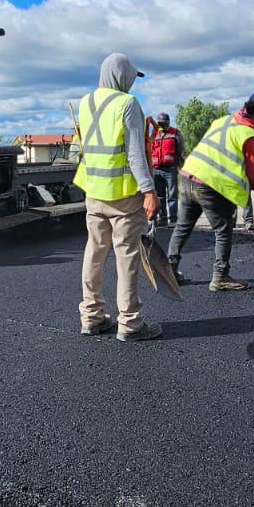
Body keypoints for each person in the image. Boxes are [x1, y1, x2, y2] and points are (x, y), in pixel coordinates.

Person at [75, 52, 162, 342]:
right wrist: (149, 190)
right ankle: (130, 323)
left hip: (93, 191)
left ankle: (91, 317)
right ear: (122, 76)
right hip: (124, 195)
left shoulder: (86, 102)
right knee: (127, 256)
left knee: (95, 251)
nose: (132, 83)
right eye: (131, 78)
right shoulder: (127, 103)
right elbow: (135, 154)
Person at [167, 93, 254, 292]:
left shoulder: (223, 121)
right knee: (223, 231)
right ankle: (220, 277)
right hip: (211, 186)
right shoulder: (250, 136)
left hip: (187, 177)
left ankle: (169, 271)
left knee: (182, 227)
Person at [149, 112, 182, 226]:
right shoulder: (154, 134)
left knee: (172, 196)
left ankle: (173, 219)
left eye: (163, 123)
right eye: (160, 123)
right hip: (156, 170)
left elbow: (181, 151)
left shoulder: (175, 133)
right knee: (159, 196)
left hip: (170, 169)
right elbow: (150, 149)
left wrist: (181, 167)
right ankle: (162, 219)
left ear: (168, 122)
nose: (161, 125)